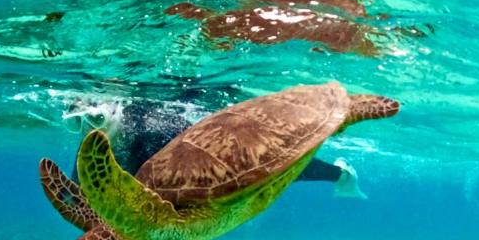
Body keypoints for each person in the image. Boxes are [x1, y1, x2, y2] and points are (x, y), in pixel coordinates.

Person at [61, 95, 367, 199]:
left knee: (272, 166)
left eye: (98, 118)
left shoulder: (152, 131)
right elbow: (77, 202)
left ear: (117, 112)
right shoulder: (87, 161)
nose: (90, 131)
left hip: (210, 146)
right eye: (77, 123)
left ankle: (342, 176)